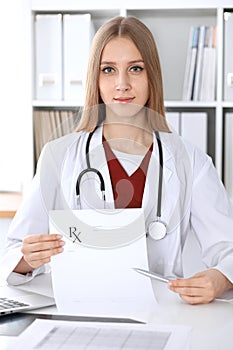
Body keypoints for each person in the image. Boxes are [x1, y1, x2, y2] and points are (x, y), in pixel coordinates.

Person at [1, 16, 233, 305]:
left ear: (152, 77)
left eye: (135, 68)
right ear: (95, 80)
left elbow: (228, 251)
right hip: (81, 310)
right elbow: (13, 253)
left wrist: (219, 278)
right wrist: (27, 258)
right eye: (108, 70)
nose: (122, 84)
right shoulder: (58, 156)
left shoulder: (191, 162)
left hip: (163, 313)